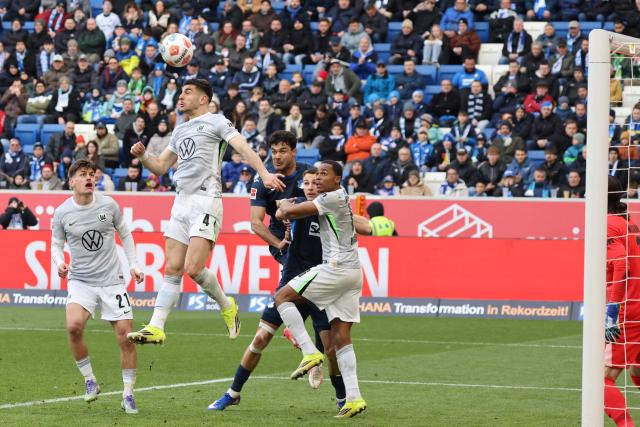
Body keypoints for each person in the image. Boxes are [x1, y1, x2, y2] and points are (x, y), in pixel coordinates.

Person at [127, 79, 285, 345]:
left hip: (206, 199)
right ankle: (156, 327)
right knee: (173, 267)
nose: (181, 97)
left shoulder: (217, 121)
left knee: (193, 267)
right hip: (181, 201)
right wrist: (143, 156)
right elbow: (160, 167)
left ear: (203, 99)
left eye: (187, 92)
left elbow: (243, 148)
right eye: (179, 92)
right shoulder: (179, 130)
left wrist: (264, 173)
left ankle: (227, 305)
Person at [210, 168, 371, 411]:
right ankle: (233, 392)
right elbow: (273, 216)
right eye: (306, 183)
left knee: (330, 348)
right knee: (260, 338)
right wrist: (280, 237)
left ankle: (342, 398)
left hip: (324, 283)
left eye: (315, 183)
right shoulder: (297, 205)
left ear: (323, 187)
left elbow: (364, 226)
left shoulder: (328, 206)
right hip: (295, 278)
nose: (310, 186)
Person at [274, 160, 368, 419]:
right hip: (352, 273)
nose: (317, 179)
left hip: (335, 268)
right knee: (341, 338)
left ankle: (308, 351)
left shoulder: (332, 197)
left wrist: (284, 205)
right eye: (315, 175)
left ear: (337, 179)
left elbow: (289, 213)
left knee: (282, 297)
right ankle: (354, 398)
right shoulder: (339, 197)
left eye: (323, 175)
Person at [51, 159, 143, 414]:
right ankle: (90, 380)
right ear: (72, 181)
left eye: (92, 174)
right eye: (83, 174)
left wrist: (134, 265)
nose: (89, 178)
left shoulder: (108, 205)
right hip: (81, 280)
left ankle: (128, 394)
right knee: (73, 326)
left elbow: (125, 234)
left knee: (126, 337)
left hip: (112, 280)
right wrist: (60, 262)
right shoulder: (62, 212)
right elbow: (56, 244)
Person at [603, 175, 640, 427]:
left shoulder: (608, 223)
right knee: (637, 369)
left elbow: (621, 264)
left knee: (601, 378)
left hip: (629, 306)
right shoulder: (630, 222)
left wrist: (612, 310)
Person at [250, 131, 308, 264]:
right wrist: (278, 243)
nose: (276, 156)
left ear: (294, 152)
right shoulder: (262, 182)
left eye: (282, 151)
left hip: (310, 233)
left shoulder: (309, 175)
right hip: (283, 236)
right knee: (296, 274)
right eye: (274, 151)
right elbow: (255, 222)